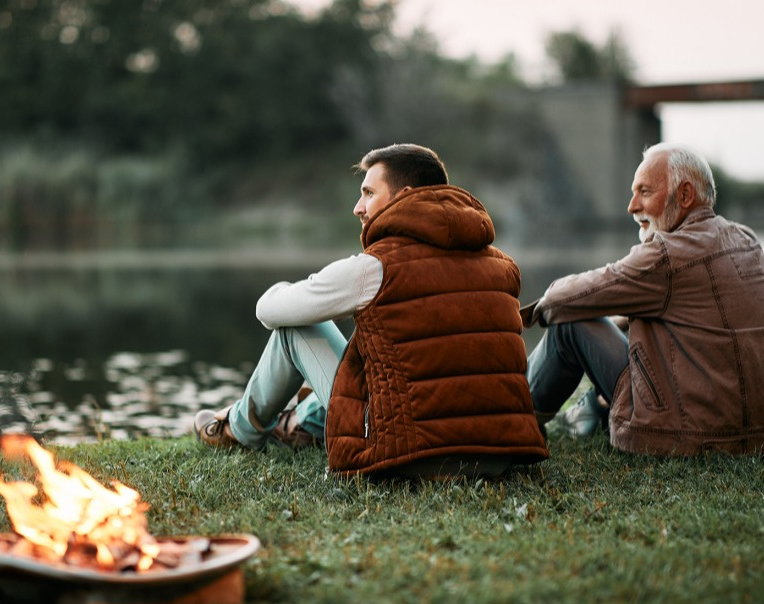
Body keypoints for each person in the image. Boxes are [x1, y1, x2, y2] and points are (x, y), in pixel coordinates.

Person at [193, 143, 548, 477]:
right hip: (501, 453)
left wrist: (287, 289)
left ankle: (238, 430)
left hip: (409, 455)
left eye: (368, 193)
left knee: (296, 329)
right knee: (373, 351)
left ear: (405, 197)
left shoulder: (374, 268)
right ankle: (304, 422)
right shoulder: (503, 266)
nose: (357, 207)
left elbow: (269, 311)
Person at [522, 142, 764, 456]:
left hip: (693, 435)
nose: (632, 206)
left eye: (645, 192)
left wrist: (522, 315)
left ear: (685, 196)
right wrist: (619, 316)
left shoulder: (664, 254)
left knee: (571, 322)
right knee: (630, 322)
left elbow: (559, 301)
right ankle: (591, 410)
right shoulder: (745, 238)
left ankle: (514, 418)